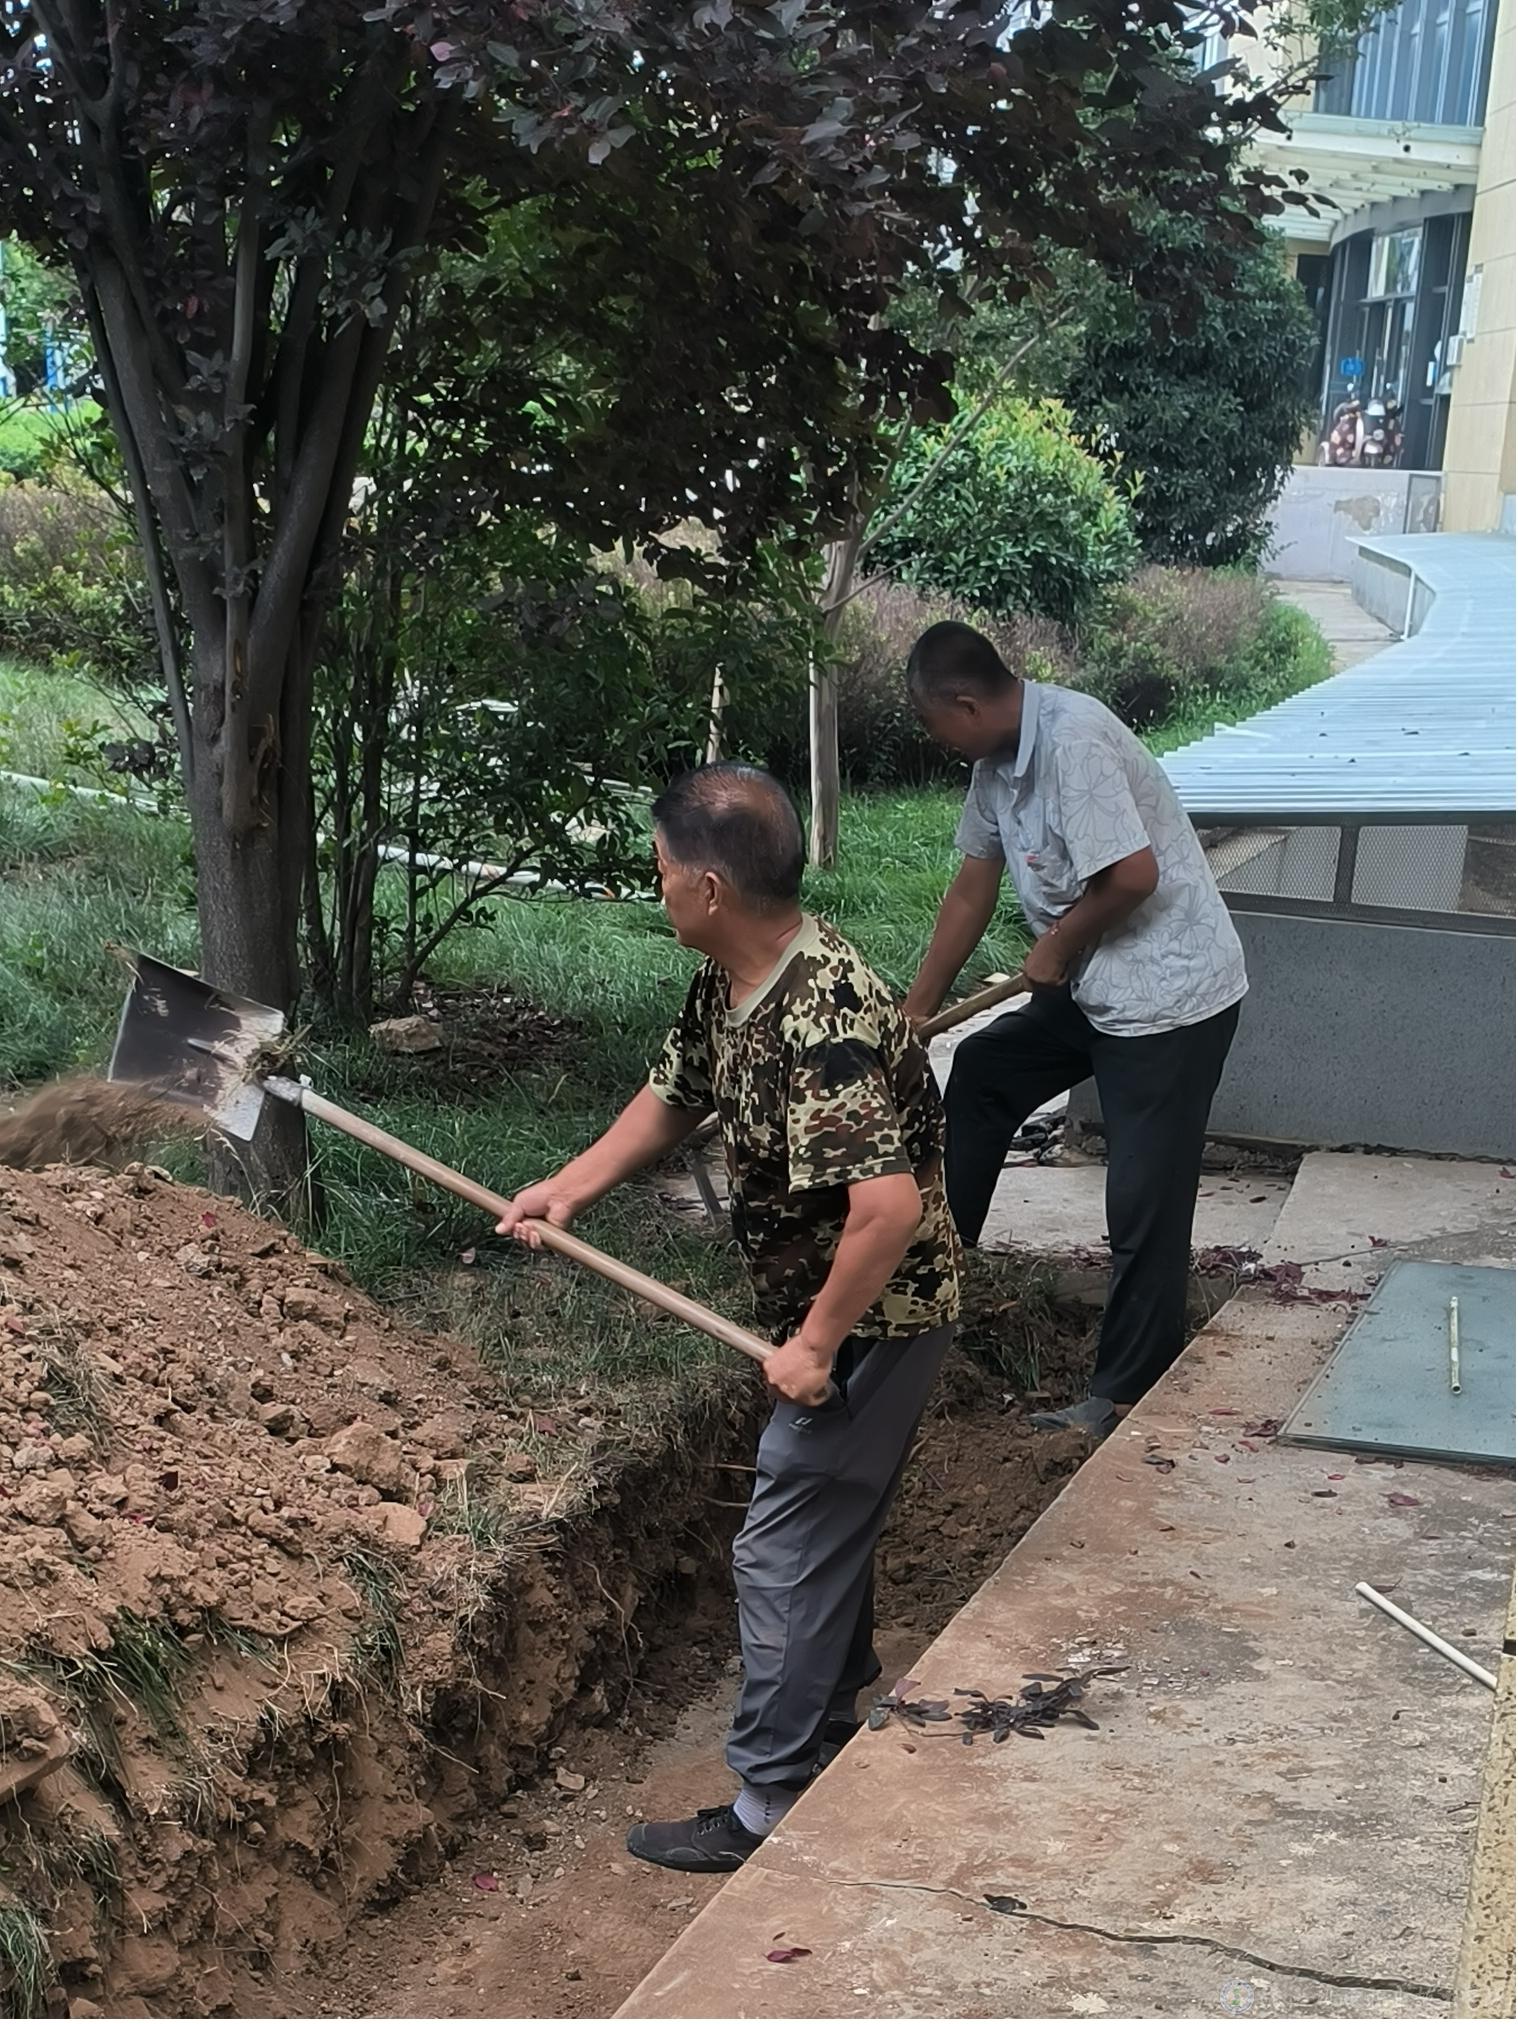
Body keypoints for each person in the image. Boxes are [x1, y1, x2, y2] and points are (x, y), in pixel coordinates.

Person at [497, 762, 959, 1874]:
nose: (655, 887)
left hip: (876, 1318)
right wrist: (568, 1188)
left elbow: (887, 1209)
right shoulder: (735, 979)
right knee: (824, 1526)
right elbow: (676, 1093)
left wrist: (817, 1344)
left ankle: (769, 1799)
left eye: (661, 870)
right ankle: (830, 1719)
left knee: (781, 1547)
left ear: (707, 887)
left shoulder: (822, 1014)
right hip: (836, 1312)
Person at [900, 621, 1245, 1440]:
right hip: (1096, 986)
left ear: (966, 703)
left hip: (1168, 996)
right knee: (983, 1069)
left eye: (935, 723)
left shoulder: (1073, 740)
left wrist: (1057, 941)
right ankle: (933, 1284)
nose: (937, 741)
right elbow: (972, 888)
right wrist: (915, 1011)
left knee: (1143, 1199)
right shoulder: (994, 765)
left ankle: (1122, 1394)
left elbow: (1133, 874)